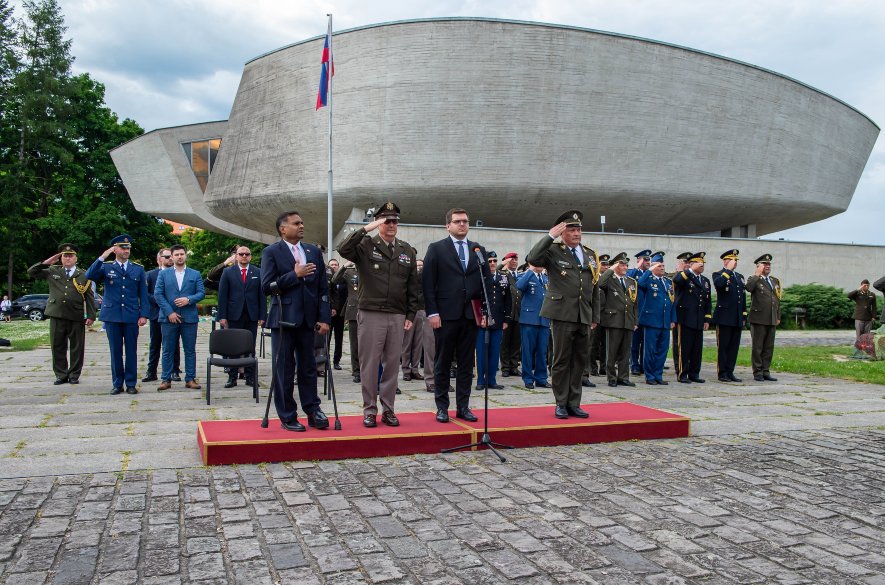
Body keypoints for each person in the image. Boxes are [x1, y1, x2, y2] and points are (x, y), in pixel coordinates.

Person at [338, 201, 420, 428]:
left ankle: (389, 410)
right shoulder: (365, 245)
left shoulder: (406, 250)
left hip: (396, 314)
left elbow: (412, 288)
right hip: (371, 313)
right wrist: (367, 228)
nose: (391, 225)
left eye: (394, 221)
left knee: (392, 365)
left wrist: (410, 315)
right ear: (379, 222)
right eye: (387, 221)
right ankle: (369, 410)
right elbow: (343, 249)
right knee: (369, 365)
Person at [526, 210, 600, 419]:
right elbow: (533, 258)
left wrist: (595, 315)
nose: (577, 233)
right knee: (561, 360)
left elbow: (592, 287)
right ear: (562, 232)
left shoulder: (589, 254)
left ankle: (573, 403)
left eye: (578, 230)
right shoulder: (553, 251)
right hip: (562, 313)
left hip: (583, 314)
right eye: (572, 230)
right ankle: (560, 402)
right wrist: (550, 236)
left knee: (580, 361)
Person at [261, 211, 331, 432]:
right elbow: (266, 287)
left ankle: (312, 409)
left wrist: (324, 317)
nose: (302, 226)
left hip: (308, 320)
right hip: (283, 319)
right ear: (283, 228)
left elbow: (322, 288)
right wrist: (294, 275)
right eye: (296, 223)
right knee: (284, 368)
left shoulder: (312, 251)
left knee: (309, 367)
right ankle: (287, 415)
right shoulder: (271, 252)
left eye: (302, 222)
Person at [423, 207, 490, 423]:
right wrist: (432, 312)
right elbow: (428, 284)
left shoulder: (478, 250)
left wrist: (486, 313)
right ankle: (442, 406)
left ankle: (463, 406)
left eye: (465, 221)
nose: (462, 225)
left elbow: (486, 284)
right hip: (445, 315)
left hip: (470, 316)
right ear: (448, 225)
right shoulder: (436, 249)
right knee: (442, 362)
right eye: (457, 221)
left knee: (465, 364)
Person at [86, 234, 150, 395]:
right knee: (115, 351)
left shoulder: (138, 268)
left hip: (131, 315)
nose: (126, 250)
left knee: (131, 351)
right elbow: (89, 275)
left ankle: (130, 383)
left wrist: (143, 314)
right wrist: (103, 256)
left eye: (128, 248)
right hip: (112, 315)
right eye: (123, 247)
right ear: (115, 249)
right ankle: (117, 383)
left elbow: (143, 294)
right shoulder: (106, 267)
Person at [27, 243, 96, 385]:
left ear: (76, 258)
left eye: (71, 256)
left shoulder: (83, 274)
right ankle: (61, 374)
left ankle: (74, 374)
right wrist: (47, 262)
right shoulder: (53, 270)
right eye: (65, 256)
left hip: (76, 315)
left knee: (77, 347)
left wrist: (91, 315)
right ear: (60, 258)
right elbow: (31, 272)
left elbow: (89, 295)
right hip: (57, 314)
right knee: (57, 345)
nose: (68, 258)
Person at [155, 244, 205, 391]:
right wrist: (169, 312)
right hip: (169, 318)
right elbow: (158, 294)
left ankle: (190, 378)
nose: (179, 257)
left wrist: (189, 299)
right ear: (172, 257)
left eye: (182, 254)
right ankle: (166, 379)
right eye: (176, 255)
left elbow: (201, 293)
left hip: (189, 317)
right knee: (167, 349)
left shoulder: (195, 274)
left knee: (190, 350)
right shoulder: (163, 274)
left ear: (186, 255)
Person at [217, 245, 266, 388]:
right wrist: (222, 316)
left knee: (250, 346)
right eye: (241, 254)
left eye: (247, 254)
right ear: (236, 256)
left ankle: (250, 377)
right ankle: (232, 377)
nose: (244, 256)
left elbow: (262, 295)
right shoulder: (228, 272)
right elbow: (222, 296)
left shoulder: (258, 271)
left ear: (250, 256)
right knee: (233, 347)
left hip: (251, 315)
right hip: (233, 315)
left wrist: (262, 315)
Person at [597, 252, 638, 388]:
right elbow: (600, 283)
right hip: (614, 320)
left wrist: (635, 321)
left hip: (628, 320)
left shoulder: (631, 282)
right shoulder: (609, 280)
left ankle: (623, 377)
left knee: (625, 352)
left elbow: (634, 303)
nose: (625, 267)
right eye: (622, 264)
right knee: (612, 351)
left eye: (626, 264)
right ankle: (611, 377)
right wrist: (611, 269)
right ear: (615, 266)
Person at [475, 251, 512, 391]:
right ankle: (480, 380)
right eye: (489, 261)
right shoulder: (481, 277)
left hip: (498, 320)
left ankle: (492, 380)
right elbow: (476, 300)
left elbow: (508, 300)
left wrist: (506, 319)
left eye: (494, 261)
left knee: (495, 352)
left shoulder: (503, 277)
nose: (492, 264)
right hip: (483, 321)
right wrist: (480, 317)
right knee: (481, 352)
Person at [672, 252, 712, 383]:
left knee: (696, 349)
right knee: (684, 348)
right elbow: (677, 281)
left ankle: (694, 374)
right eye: (698, 263)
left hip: (698, 319)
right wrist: (690, 270)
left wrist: (707, 319)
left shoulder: (705, 281)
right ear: (691, 264)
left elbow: (707, 301)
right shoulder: (684, 276)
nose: (701, 266)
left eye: (703, 264)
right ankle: (682, 373)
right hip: (685, 318)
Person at [637, 253, 675, 385]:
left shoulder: (668, 282)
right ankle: (650, 376)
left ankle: (658, 375)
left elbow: (672, 301)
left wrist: (672, 319)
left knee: (662, 350)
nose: (662, 268)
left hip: (665, 321)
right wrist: (649, 271)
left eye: (663, 265)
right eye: (659, 266)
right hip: (652, 320)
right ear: (653, 267)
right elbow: (640, 284)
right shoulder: (648, 279)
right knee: (650, 350)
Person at [143, 249, 180, 383]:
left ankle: (175, 371)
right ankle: (151, 371)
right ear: (159, 259)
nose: (170, 259)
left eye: (172, 256)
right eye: (167, 257)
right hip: (156, 314)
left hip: (173, 314)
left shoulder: (177, 273)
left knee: (174, 344)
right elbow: (145, 294)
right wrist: (160, 301)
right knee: (155, 344)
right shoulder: (150, 275)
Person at [712, 249, 747, 382]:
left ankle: (730, 371)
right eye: (732, 260)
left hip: (736, 317)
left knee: (733, 347)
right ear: (725, 261)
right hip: (724, 317)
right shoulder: (718, 274)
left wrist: (743, 316)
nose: (735, 262)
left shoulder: (739, 276)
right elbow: (719, 285)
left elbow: (742, 297)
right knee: (724, 346)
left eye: (736, 260)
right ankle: (722, 373)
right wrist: (728, 271)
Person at [745, 254, 781, 382]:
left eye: (769, 264)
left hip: (771, 318)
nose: (767, 266)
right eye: (764, 264)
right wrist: (757, 274)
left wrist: (778, 316)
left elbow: (777, 300)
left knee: (768, 347)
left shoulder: (774, 280)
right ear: (759, 266)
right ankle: (758, 372)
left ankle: (766, 371)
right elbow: (748, 288)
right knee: (758, 346)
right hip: (758, 318)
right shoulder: (754, 279)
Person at [516, 263, 550, 389]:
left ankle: (541, 378)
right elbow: (519, 286)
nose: (540, 264)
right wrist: (530, 270)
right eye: (537, 261)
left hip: (544, 319)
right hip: (529, 319)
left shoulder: (546, 278)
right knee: (528, 351)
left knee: (542, 351)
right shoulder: (525, 275)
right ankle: (528, 378)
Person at [331, 262, 361, 383]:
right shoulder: (349, 272)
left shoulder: (371, 267)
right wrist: (344, 266)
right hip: (354, 310)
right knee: (355, 343)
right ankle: (357, 370)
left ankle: (368, 369)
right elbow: (334, 279)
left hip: (371, 309)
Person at [401, 255, 425, 382]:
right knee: (407, 342)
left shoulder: (425, 278)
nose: (419, 268)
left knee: (418, 343)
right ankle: (406, 369)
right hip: (410, 312)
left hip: (421, 310)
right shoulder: (408, 277)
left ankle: (415, 369)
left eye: (421, 265)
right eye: (417, 265)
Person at [626, 249, 651, 376]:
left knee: (645, 343)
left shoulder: (650, 274)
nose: (648, 262)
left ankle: (642, 365)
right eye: (645, 259)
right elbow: (628, 279)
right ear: (638, 260)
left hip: (647, 313)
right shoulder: (633, 272)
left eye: (648, 260)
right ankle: (634, 365)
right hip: (635, 313)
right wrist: (637, 266)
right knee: (635, 342)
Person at [586, 254, 611, 380]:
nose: (606, 267)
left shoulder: (610, 279)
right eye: (604, 264)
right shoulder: (595, 278)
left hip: (606, 317)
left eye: (607, 264)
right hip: (595, 316)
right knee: (593, 343)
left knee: (605, 344)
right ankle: (592, 367)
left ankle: (603, 367)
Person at [499, 252, 522, 377]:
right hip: (507, 314)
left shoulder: (521, 275)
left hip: (519, 313)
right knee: (505, 342)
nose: (514, 261)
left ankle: (514, 366)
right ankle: (505, 367)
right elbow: (494, 273)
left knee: (516, 342)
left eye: (516, 259)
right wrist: (502, 265)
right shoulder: (503, 274)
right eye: (511, 259)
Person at [669, 252, 693, 375]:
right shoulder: (676, 276)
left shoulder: (692, 276)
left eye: (689, 263)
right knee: (678, 343)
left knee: (689, 343)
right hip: (678, 313)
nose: (687, 265)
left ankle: (688, 367)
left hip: (690, 315)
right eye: (685, 262)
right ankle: (679, 367)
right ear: (679, 263)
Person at [327, 258, 347, 370]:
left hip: (340, 313)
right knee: (327, 338)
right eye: (332, 265)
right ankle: (326, 360)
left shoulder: (343, 279)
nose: (334, 266)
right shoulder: (327, 278)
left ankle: (336, 361)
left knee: (339, 339)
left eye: (335, 265)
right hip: (329, 313)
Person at [847, 280, 877, 344]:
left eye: (867, 285)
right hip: (859, 317)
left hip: (868, 317)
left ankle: (866, 349)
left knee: (867, 335)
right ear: (861, 285)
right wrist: (859, 289)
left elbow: (874, 307)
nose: (866, 286)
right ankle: (858, 349)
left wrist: (874, 317)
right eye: (864, 285)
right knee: (859, 334)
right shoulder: (857, 293)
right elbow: (849, 295)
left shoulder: (872, 294)